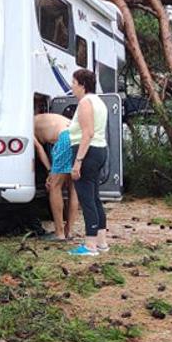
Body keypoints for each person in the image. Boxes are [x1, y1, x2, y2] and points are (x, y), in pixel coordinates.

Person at [68, 69, 109, 257]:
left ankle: (90, 245)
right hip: (100, 150)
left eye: (74, 83)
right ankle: (101, 242)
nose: (72, 86)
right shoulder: (99, 102)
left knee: (86, 199)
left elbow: (88, 133)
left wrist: (78, 161)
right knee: (94, 197)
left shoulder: (85, 102)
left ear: (82, 85)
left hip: (87, 151)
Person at [33, 111, 79, 240]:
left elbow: (39, 149)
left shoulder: (25, 125)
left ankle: (59, 233)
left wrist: (49, 171)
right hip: (78, 135)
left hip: (65, 138)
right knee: (73, 188)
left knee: (54, 186)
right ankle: (69, 231)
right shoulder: (44, 118)